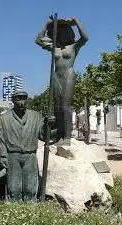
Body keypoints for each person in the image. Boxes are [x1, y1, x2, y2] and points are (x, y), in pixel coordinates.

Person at [35, 16, 88, 146]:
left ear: (69, 33)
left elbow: (85, 38)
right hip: (56, 76)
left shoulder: (74, 46)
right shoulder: (55, 47)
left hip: (69, 74)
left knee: (65, 106)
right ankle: (59, 136)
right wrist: (47, 24)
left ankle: (67, 137)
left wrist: (76, 21)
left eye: (65, 32)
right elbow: (38, 40)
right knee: (57, 108)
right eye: (60, 33)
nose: (62, 35)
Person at [0, 90, 55, 202]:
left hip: (30, 156)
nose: (22, 102)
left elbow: (43, 135)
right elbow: (1, 139)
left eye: (24, 98)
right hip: (12, 156)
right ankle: (14, 209)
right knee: (13, 188)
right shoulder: (5, 118)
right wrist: (2, 156)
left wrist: (49, 125)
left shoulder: (36, 116)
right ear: (13, 101)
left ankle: (30, 207)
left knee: (30, 187)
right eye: (18, 99)